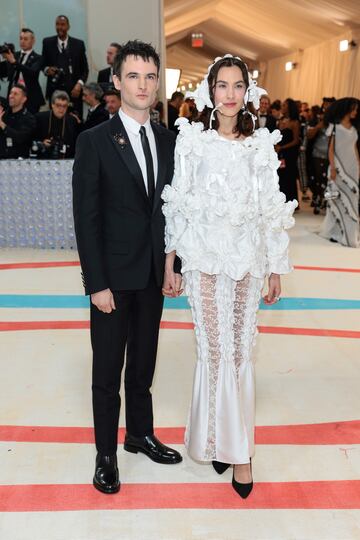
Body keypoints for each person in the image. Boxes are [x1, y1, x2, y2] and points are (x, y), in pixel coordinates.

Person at [161, 54, 297, 499]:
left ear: (249, 91)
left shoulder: (260, 146)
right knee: (214, 352)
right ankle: (231, 448)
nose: (231, 94)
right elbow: (179, 203)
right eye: (223, 85)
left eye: (239, 85)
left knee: (239, 355)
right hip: (202, 260)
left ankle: (235, 446)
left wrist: (276, 266)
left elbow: (271, 208)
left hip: (246, 262)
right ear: (210, 91)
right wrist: (171, 259)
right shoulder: (192, 142)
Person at [72, 40, 182, 496]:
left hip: (154, 276)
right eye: (133, 75)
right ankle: (105, 454)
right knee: (106, 372)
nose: (142, 84)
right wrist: (96, 283)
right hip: (113, 282)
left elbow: (174, 212)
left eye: (150, 76)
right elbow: (86, 217)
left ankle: (139, 433)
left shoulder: (169, 141)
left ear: (158, 84)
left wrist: (176, 265)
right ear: (116, 81)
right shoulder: (94, 140)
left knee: (144, 364)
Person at [320, 98, 360, 248]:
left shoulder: (354, 129)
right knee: (334, 198)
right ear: (346, 110)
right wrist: (333, 168)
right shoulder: (334, 127)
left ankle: (349, 233)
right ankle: (334, 232)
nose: (355, 112)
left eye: (356, 109)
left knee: (352, 200)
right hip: (337, 168)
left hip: (352, 169)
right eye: (353, 109)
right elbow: (330, 149)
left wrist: (358, 165)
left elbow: (354, 148)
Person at [42, 15, 89, 117]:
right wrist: (47, 70)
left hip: (74, 92)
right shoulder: (47, 42)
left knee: (75, 122)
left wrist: (79, 85)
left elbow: (85, 70)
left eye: (62, 24)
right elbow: (43, 65)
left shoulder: (79, 44)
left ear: (68, 26)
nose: (60, 27)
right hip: (54, 91)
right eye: (57, 24)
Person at [0, 28, 45, 114]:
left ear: (33, 41)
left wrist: (14, 62)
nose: (22, 41)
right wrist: (2, 57)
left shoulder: (38, 58)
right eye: (21, 38)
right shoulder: (14, 55)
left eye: (25, 39)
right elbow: (3, 72)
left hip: (31, 98)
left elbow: (32, 72)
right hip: (13, 96)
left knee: (29, 124)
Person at [35, 90, 78, 158]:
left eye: (64, 106)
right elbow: (33, 139)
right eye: (58, 105)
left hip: (65, 157)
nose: (61, 109)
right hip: (43, 157)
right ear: (52, 105)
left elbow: (74, 143)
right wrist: (42, 143)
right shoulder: (40, 118)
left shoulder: (72, 121)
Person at [0, 84, 36, 159]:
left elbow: (21, 138)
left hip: (19, 161)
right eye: (11, 93)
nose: (11, 96)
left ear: (23, 99)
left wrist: (2, 124)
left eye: (15, 94)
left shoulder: (29, 118)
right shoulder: (3, 114)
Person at [276, 98, 300, 204]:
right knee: (280, 175)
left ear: (289, 108)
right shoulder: (280, 121)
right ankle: (282, 200)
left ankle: (291, 200)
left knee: (289, 176)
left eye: (284, 105)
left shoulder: (294, 122)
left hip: (290, 153)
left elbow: (296, 141)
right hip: (280, 153)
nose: (282, 107)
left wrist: (282, 147)